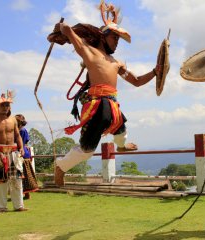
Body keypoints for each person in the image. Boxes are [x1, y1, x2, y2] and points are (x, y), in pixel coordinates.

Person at [49, 1, 160, 186]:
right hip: (97, 105)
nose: (117, 43)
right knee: (87, 150)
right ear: (104, 36)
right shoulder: (89, 52)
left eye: (118, 39)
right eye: (115, 38)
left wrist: (155, 72)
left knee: (121, 126)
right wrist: (61, 28)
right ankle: (60, 167)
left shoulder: (116, 63)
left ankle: (122, 146)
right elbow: (68, 30)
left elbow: (137, 81)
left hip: (112, 104)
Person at [0, 89, 28, 212]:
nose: (5, 107)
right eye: (3, 105)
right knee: (0, 181)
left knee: (17, 179)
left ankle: (19, 205)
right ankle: (1, 207)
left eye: (7, 105)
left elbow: (18, 136)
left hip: (13, 153)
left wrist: (21, 148)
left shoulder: (13, 121)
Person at [15, 114, 38, 199]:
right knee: (23, 176)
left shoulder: (22, 131)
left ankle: (26, 194)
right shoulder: (19, 131)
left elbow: (23, 143)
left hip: (22, 154)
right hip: (21, 153)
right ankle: (22, 194)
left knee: (25, 176)